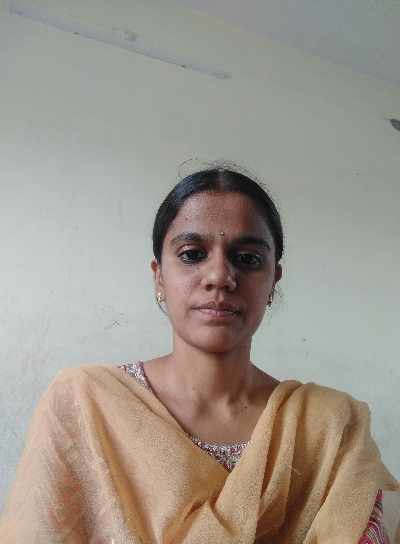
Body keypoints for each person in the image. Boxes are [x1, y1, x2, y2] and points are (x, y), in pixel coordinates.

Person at [0, 164, 399, 543]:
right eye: (192, 254)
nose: (220, 276)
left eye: (248, 259)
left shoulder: (330, 427)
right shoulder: (85, 404)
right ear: (159, 275)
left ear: (274, 279)